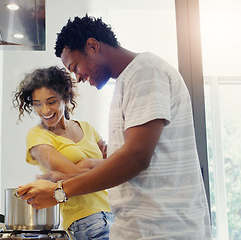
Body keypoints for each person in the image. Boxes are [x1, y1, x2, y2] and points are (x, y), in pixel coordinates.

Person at [17, 15, 212, 239]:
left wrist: (59, 191)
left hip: (162, 229)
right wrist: (98, 164)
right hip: (140, 227)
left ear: (93, 46)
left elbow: (136, 157)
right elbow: (134, 159)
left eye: (75, 66)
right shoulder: (127, 81)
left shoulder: (144, 72)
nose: (77, 77)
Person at [12, 66, 114, 240]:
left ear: (65, 97)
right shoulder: (37, 136)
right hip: (86, 221)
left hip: (114, 213)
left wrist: (86, 166)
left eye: (51, 102)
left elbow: (117, 166)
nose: (44, 110)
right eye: (37, 104)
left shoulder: (87, 127)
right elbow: (110, 173)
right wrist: (103, 169)